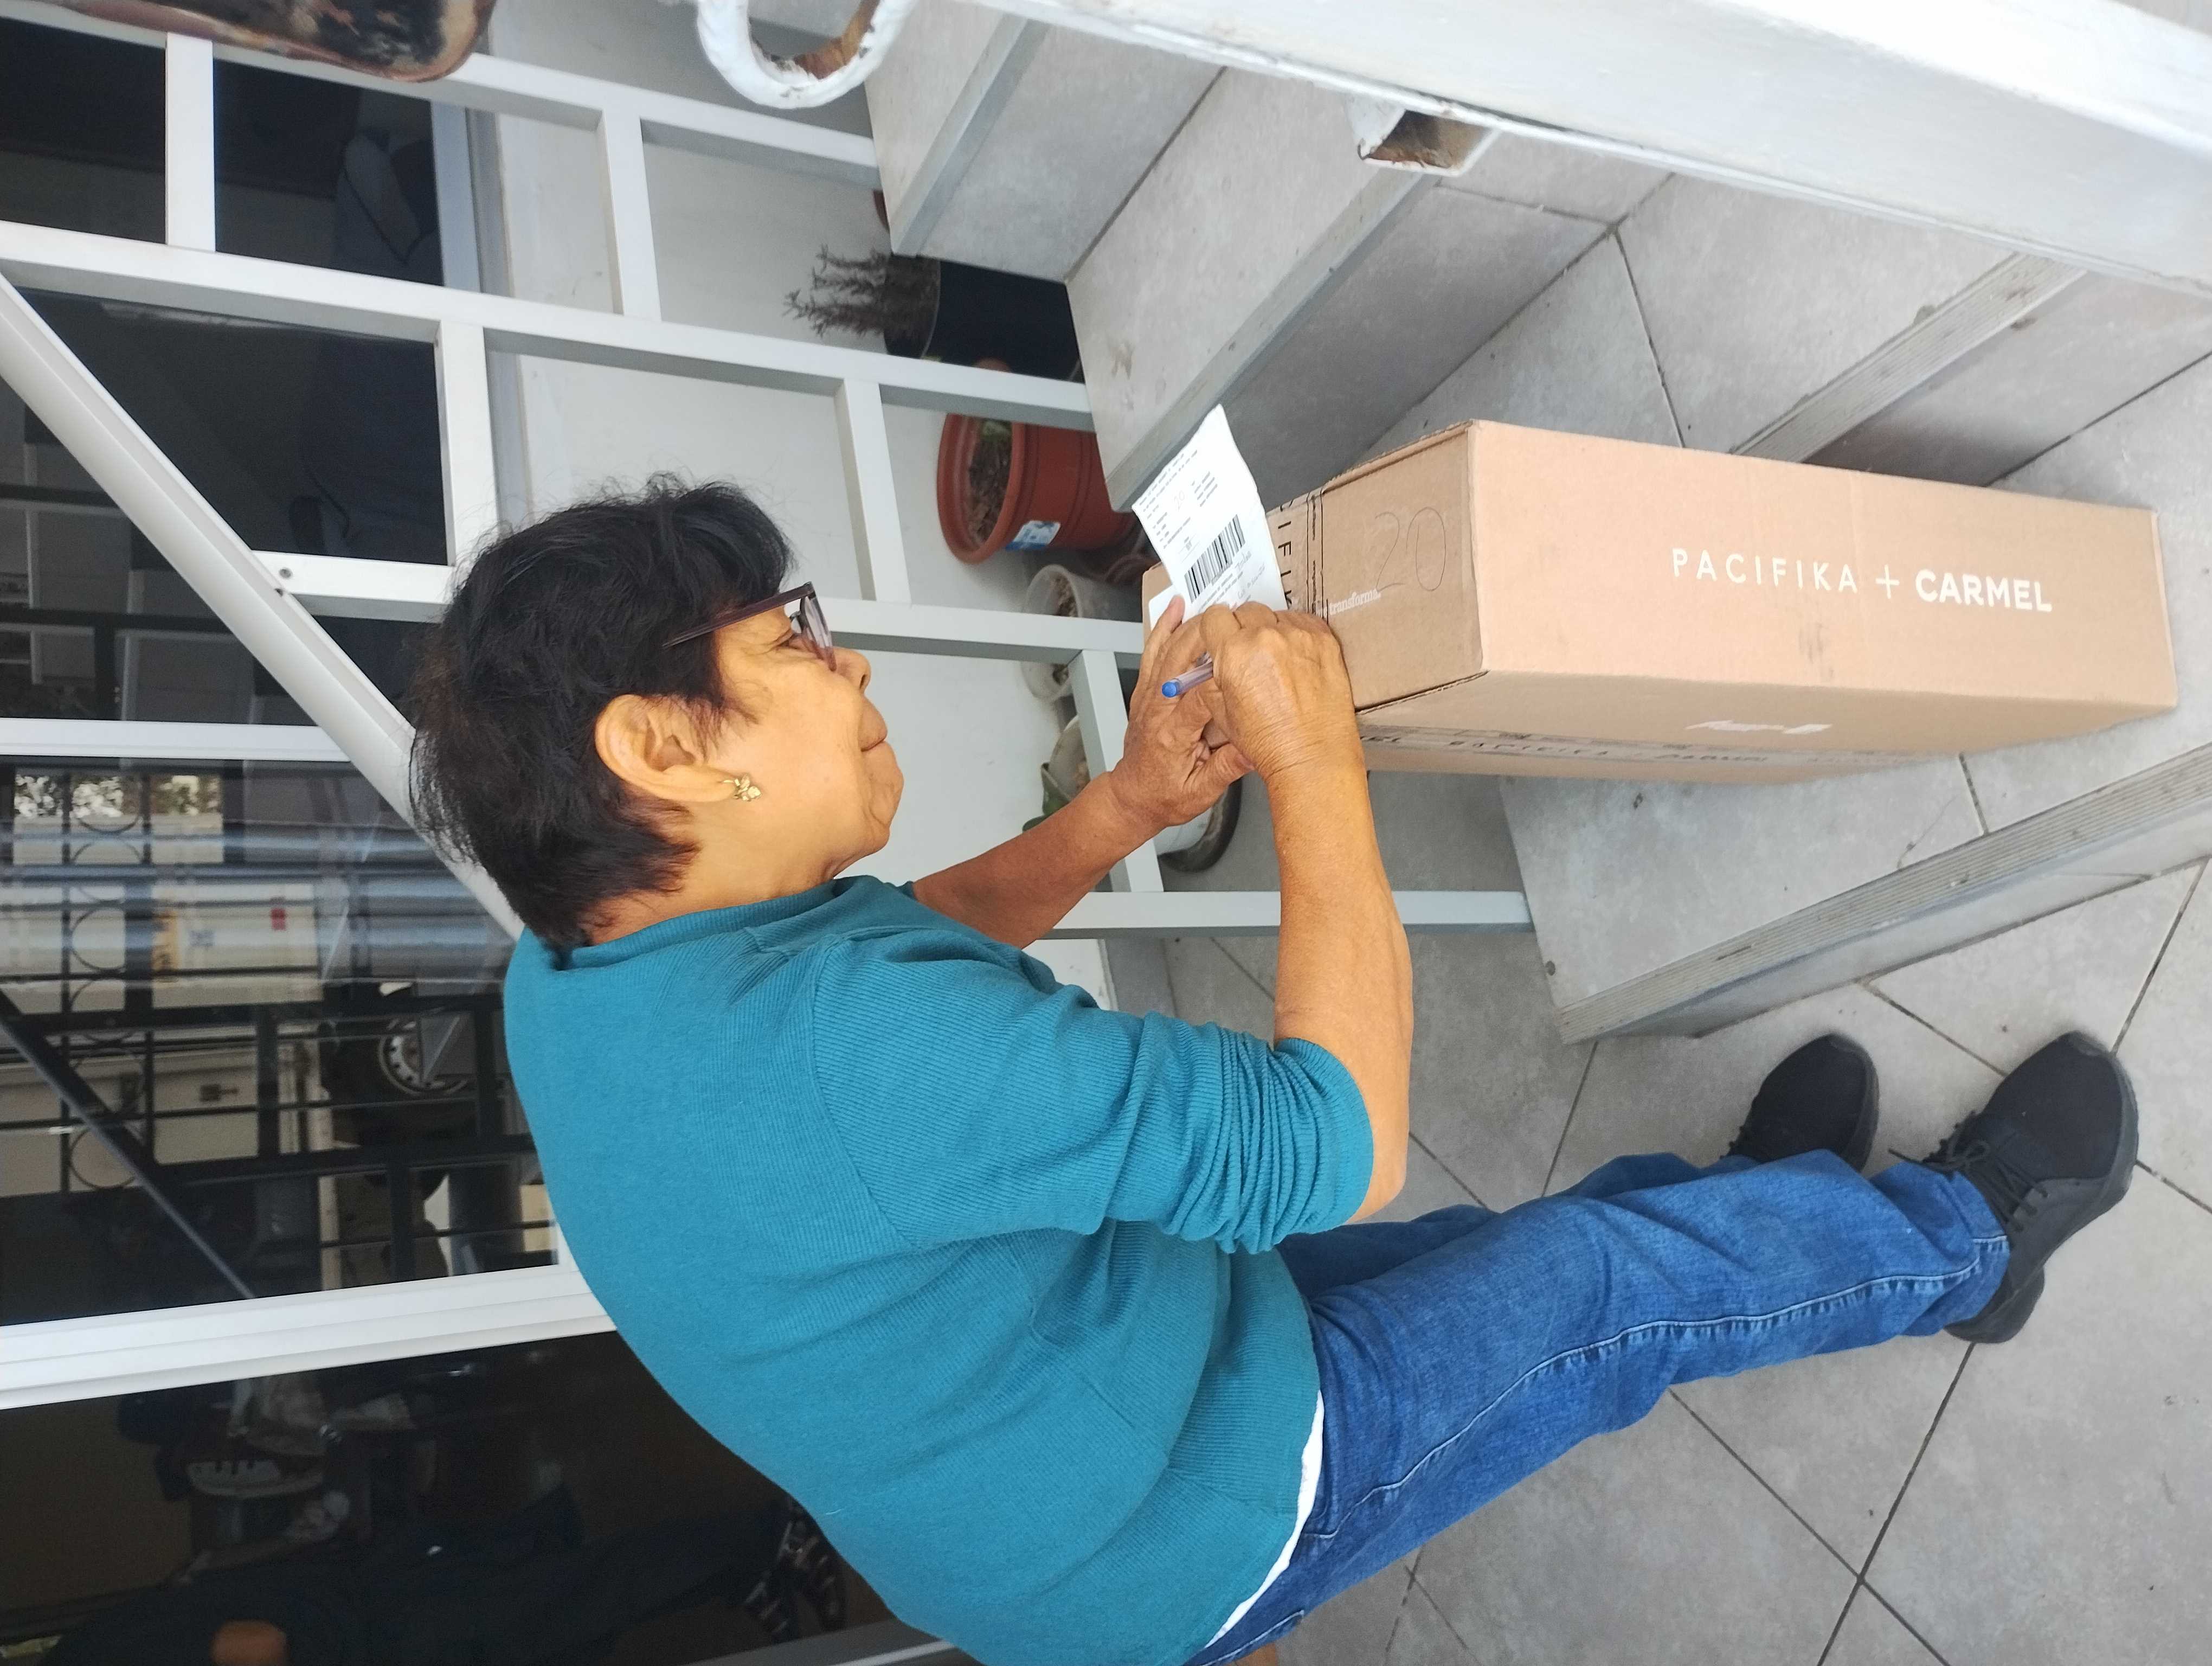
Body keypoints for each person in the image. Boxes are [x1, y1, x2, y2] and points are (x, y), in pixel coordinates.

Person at [410, 479, 2136, 1666]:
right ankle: (1969, 1249)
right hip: (1158, 1527)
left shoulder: (581, 966)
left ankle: (1772, 1210)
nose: (844, 657)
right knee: (1595, 1289)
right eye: (790, 639)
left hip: (1079, 1389)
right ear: (663, 747)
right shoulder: (850, 1060)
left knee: (1517, 1259)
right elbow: (1337, 1141)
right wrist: (1317, 767)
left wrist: (1132, 804)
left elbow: (912, 935)